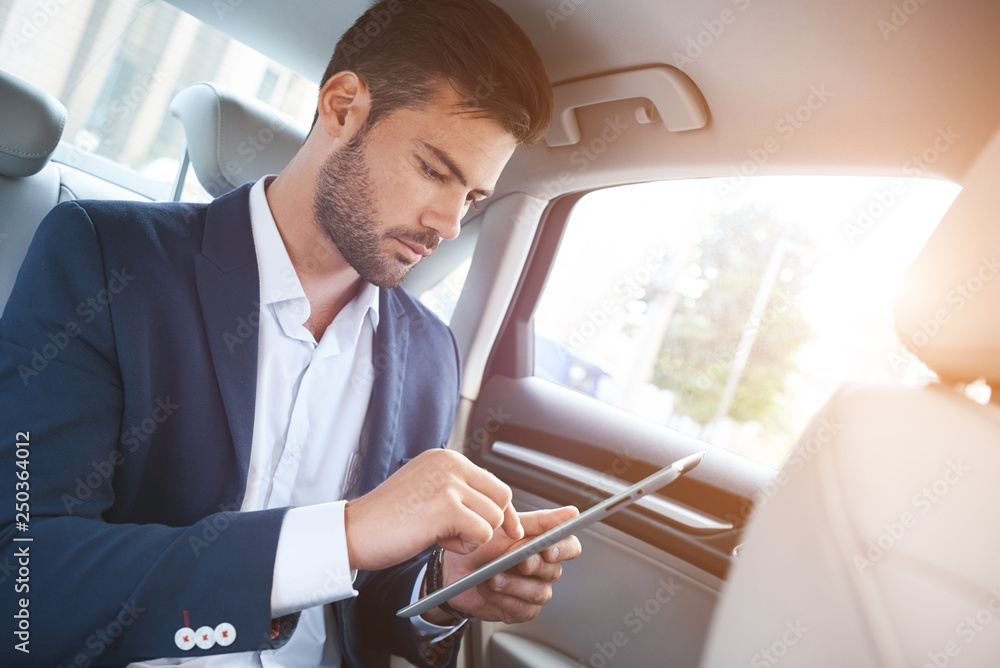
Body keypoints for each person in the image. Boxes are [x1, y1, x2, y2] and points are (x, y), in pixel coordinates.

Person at [0, 0, 582, 666]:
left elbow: (376, 593)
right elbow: (22, 582)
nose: (450, 223)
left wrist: (445, 591)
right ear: (341, 108)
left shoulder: (429, 354)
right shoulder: (109, 259)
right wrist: (342, 534)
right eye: (434, 171)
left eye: (473, 198)